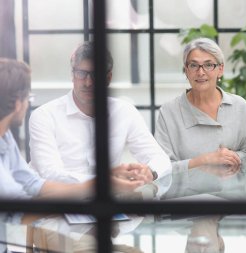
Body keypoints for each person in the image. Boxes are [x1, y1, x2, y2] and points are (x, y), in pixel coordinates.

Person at [0, 58, 145, 252]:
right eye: (28, 98)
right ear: (18, 103)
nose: (28, 104)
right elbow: (20, 212)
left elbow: (35, 185)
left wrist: (102, 181)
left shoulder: (6, 138)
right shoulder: (44, 116)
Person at [29, 41, 171, 197]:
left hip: (106, 205)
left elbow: (160, 158)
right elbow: (49, 174)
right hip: (56, 204)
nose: (88, 83)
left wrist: (150, 171)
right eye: (81, 74)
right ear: (72, 75)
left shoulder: (124, 111)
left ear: (108, 78)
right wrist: (107, 182)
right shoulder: (44, 115)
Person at [154, 37, 246, 175]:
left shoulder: (239, 106)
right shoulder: (168, 112)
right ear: (186, 70)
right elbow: (162, 168)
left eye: (208, 65)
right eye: (194, 65)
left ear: (220, 69)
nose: (201, 72)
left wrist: (231, 158)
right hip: (186, 195)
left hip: (231, 192)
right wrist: (205, 160)